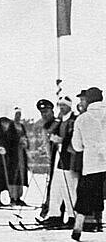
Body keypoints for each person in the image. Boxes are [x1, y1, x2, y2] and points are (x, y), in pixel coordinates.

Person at [71, 87, 106, 241]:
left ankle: (78, 228)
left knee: (85, 194)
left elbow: (77, 146)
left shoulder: (82, 119)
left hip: (92, 164)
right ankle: (98, 222)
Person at [41, 96, 82, 227]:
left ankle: (72, 216)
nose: (61, 108)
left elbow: (74, 137)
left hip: (69, 158)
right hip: (58, 158)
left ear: (69, 106)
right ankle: (54, 215)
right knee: (55, 187)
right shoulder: (60, 120)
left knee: (69, 188)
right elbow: (50, 130)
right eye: (60, 105)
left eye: (64, 105)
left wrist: (61, 140)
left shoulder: (74, 120)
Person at [36, 99, 60, 218]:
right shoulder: (45, 126)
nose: (44, 114)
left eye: (46, 111)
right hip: (51, 160)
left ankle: (53, 212)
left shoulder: (58, 123)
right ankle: (49, 210)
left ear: (52, 111)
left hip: (59, 161)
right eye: (42, 112)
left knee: (56, 187)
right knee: (51, 186)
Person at [10, 108, 29, 205]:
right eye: (17, 114)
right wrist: (18, 141)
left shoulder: (21, 126)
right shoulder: (11, 126)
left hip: (21, 153)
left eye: (19, 114)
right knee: (14, 174)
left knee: (21, 174)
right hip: (13, 154)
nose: (18, 116)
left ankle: (19, 197)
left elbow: (26, 137)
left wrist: (25, 143)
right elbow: (9, 139)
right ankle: (13, 197)